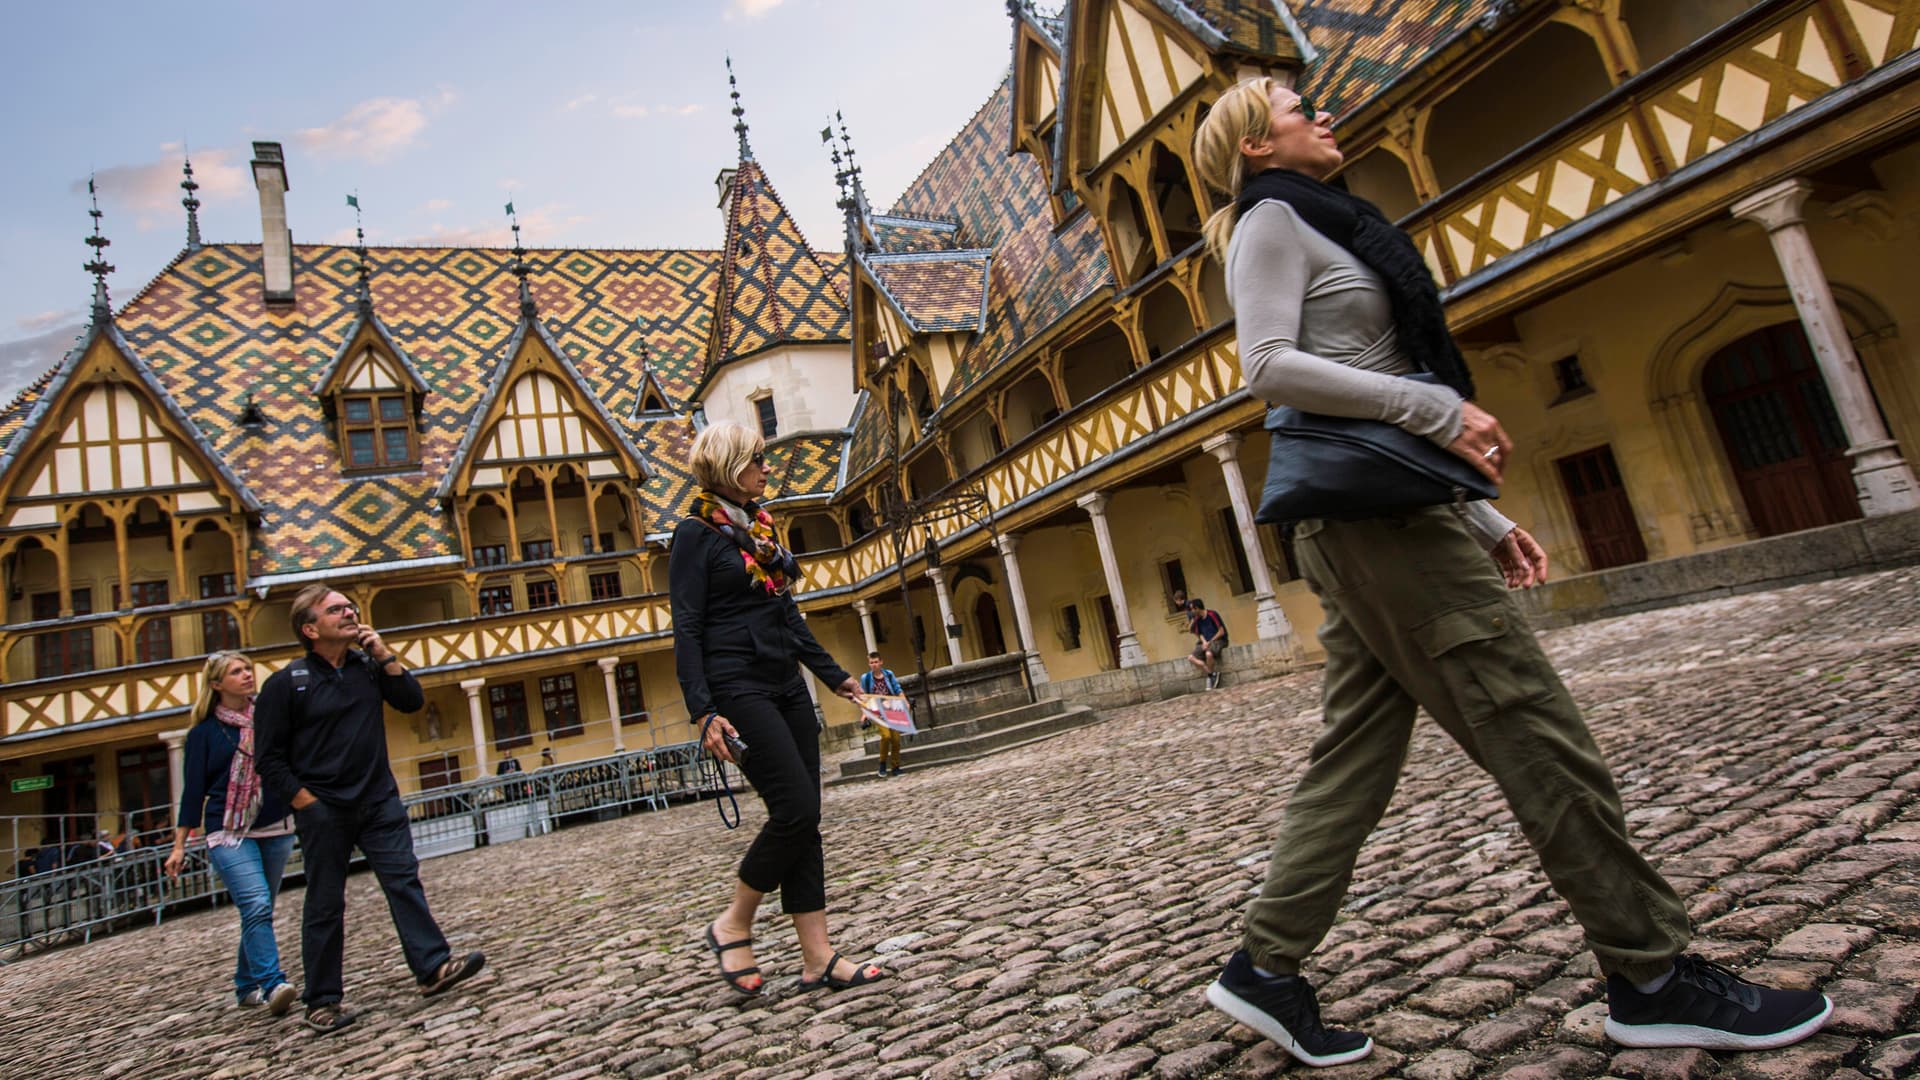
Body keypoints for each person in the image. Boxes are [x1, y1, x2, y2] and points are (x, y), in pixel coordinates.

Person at [1187, 78, 1832, 1067]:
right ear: (1253, 147)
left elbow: (1370, 380)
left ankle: (1265, 968)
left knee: (1353, 758)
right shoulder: (1270, 220)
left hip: (1387, 516)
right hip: (1386, 530)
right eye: (1291, 105)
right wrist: (1440, 417)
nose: (1319, 111)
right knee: (1536, 734)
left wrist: (1478, 512)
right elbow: (1270, 367)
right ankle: (1653, 976)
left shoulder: (1332, 221)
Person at [671, 420, 884, 996]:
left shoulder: (761, 530)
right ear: (730, 466)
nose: (767, 468)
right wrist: (704, 711)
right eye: (758, 460)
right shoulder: (695, 535)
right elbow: (686, 629)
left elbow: (787, 617)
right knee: (791, 808)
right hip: (737, 688)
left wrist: (837, 678)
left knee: (806, 818)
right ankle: (733, 922)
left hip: (786, 684)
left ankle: (817, 958)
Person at [254, 585, 485, 1035]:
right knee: (325, 902)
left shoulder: (365, 667)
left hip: (377, 798)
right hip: (324, 807)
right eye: (335, 609)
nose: (348, 612)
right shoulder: (287, 684)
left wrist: (383, 653)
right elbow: (269, 759)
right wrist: (307, 803)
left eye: (349, 606)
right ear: (309, 628)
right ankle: (322, 998)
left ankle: (432, 967)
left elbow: (410, 700)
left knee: (403, 880)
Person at [163, 651, 299, 1015]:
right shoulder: (204, 734)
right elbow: (192, 793)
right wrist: (179, 846)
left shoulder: (269, 718)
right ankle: (273, 984)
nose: (246, 675)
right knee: (255, 903)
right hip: (228, 831)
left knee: (259, 908)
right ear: (216, 684)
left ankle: (244, 984)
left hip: (275, 825)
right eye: (235, 672)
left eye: (247, 669)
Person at [860, 652, 907, 777]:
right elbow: (864, 696)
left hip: (891, 708)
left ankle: (896, 766)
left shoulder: (889, 674)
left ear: (881, 662)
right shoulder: (866, 678)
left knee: (896, 739)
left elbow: (897, 689)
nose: (874, 665)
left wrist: (904, 701)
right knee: (886, 736)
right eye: (871, 662)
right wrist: (864, 713)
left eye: (876, 662)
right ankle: (882, 763)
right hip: (877, 711)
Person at [1185, 598, 1228, 690]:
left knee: (1208, 654)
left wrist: (1210, 642)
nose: (1191, 611)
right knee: (1191, 657)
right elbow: (1199, 633)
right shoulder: (1197, 619)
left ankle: (1211, 677)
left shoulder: (1212, 614)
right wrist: (1204, 642)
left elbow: (1221, 631)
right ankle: (1211, 674)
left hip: (1218, 640)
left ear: (1197, 608)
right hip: (1206, 642)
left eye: (1193, 609)